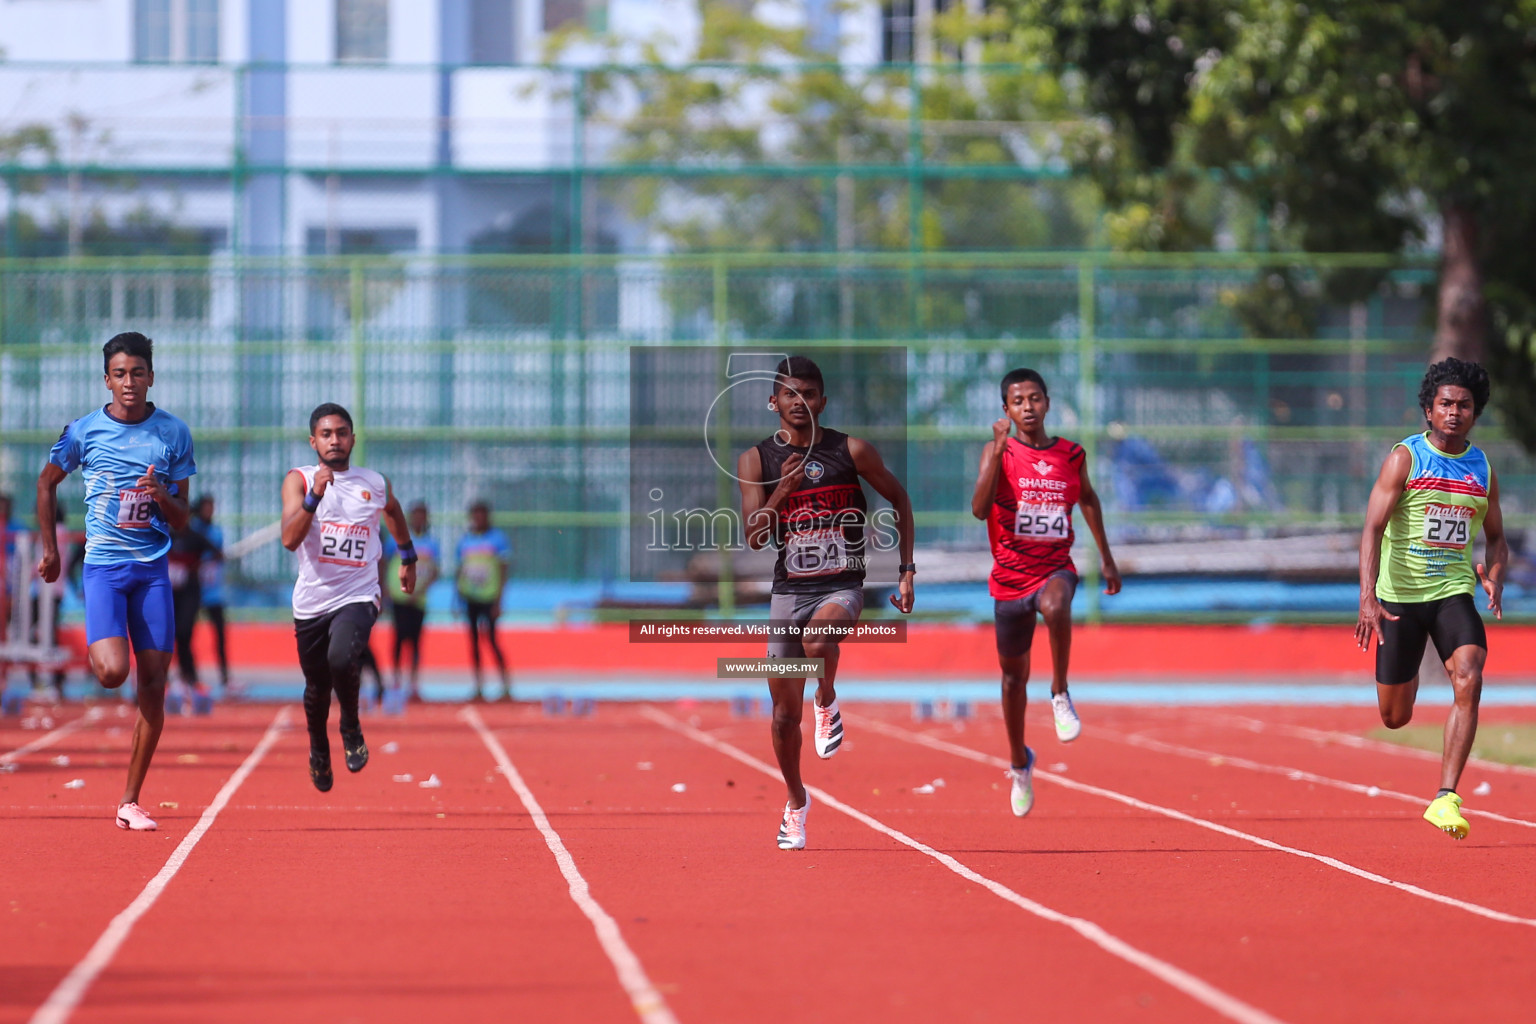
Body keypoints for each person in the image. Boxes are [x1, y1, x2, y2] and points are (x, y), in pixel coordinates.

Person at [737, 355, 916, 851]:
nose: (800, 403)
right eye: (790, 394)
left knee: (820, 640)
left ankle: (827, 697)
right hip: (788, 591)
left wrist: (906, 571)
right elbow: (754, 536)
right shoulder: (756, 460)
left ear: (822, 400)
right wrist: (785, 491)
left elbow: (900, 501)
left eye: (809, 394)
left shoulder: (850, 450)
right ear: (773, 401)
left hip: (842, 586)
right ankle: (796, 802)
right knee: (779, 718)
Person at [36, 331, 197, 831]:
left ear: (151, 377)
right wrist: (51, 549)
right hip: (104, 567)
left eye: (138, 373)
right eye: (120, 374)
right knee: (112, 674)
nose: (130, 382)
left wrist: (160, 494)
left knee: (153, 685)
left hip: (151, 571)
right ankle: (100, 643)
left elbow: (183, 517)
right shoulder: (84, 432)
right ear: (107, 380)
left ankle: (130, 800)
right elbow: (45, 484)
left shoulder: (173, 433)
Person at [1357, 357, 1506, 840]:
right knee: (1394, 717)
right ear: (1428, 409)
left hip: (1451, 593)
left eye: (1464, 405)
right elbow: (1373, 528)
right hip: (1398, 597)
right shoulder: (1406, 458)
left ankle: (1446, 797)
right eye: (1445, 404)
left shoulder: (1482, 467)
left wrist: (1495, 575)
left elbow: (1497, 537)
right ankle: (1408, 676)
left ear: (1475, 412)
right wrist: (1367, 598)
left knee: (1470, 673)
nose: (1454, 413)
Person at [971, 368, 1121, 818]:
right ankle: (1019, 761)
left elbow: (1088, 498)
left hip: (1055, 566)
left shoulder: (1071, 454)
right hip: (1009, 580)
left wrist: (1107, 557)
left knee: (1057, 605)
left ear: (1048, 403)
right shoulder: (997, 451)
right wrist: (997, 452)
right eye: (1018, 402)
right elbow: (979, 510)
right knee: (1013, 679)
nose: (1028, 408)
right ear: (1006, 410)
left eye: (1035, 399)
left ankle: (1059, 691)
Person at [281, 403, 416, 792]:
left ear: (353, 439)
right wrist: (314, 498)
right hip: (311, 602)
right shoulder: (300, 480)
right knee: (316, 688)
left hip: (359, 593)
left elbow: (392, 509)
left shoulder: (374, 481)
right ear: (313, 441)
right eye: (326, 434)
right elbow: (290, 539)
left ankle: (351, 725)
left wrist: (407, 555)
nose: (335, 440)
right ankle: (319, 749)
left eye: (342, 433)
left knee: (343, 657)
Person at [455, 500, 512, 702]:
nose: (478, 519)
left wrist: (499, 600)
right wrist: (457, 598)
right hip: (471, 597)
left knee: (493, 640)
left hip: (490, 597)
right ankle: (479, 687)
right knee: (474, 642)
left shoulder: (498, 539)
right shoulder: (465, 540)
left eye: (482, 515)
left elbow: (504, 570)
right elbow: (459, 570)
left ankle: (506, 686)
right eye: (475, 515)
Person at [384, 501, 440, 702]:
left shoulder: (432, 543)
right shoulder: (396, 540)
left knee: (416, 642)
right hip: (399, 597)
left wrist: (421, 590)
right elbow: (385, 564)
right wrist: (386, 591)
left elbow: (435, 571)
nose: (419, 519)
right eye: (416, 515)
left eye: (422, 515)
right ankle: (396, 681)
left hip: (419, 599)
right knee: (398, 639)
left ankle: (414, 683)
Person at [168, 516, 215, 704]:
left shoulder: (196, 538)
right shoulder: (166, 536)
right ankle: (165, 679)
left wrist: (196, 567)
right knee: (166, 635)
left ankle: (190, 676)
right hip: (169, 592)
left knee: (184, 632)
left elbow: (216, 553)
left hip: (190, 592)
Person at [190, 496, 232, 694]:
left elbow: (218, 555)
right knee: (185, 634)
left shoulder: (216, 532)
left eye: (212, 507)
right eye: (207, 507)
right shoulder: (193, 529)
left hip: (214, 592)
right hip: (194, 591)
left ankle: (225, 677)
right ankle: (190, 677)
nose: (210, 511)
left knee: (220, 635)